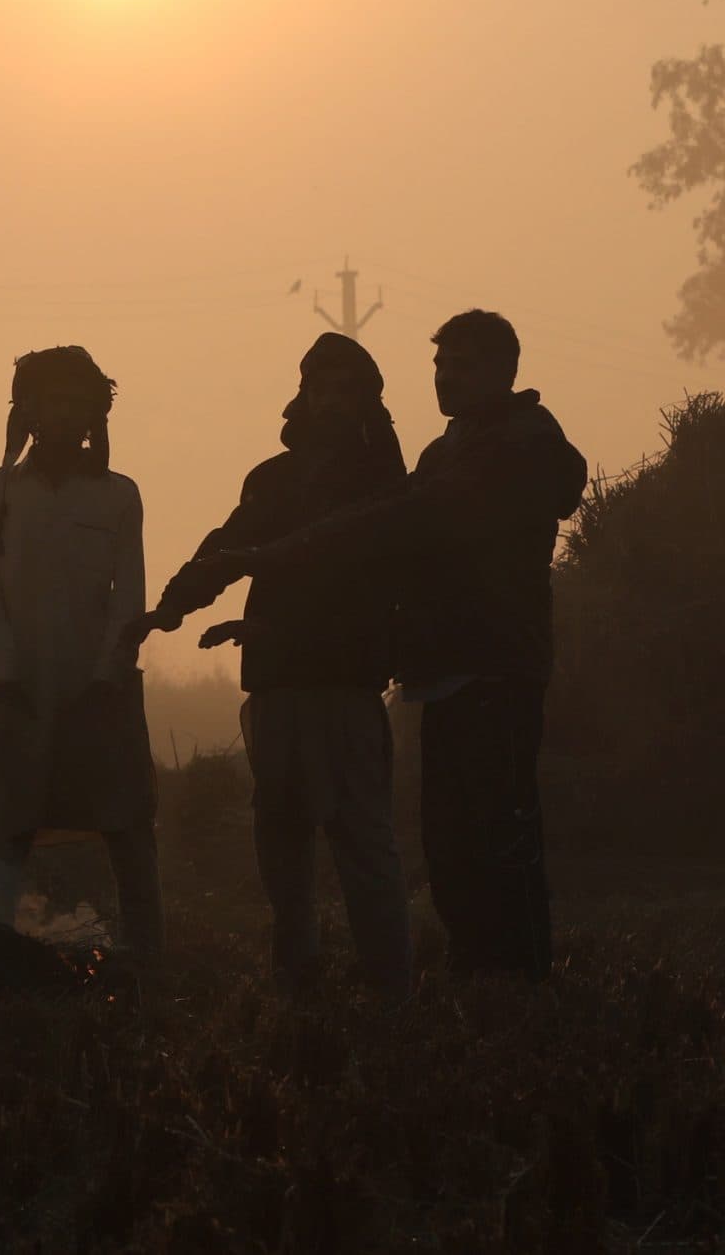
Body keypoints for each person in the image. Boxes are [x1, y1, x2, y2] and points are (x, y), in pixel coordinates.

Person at [162, 310, 585, 981]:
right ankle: (477, 983)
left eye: (465, 366)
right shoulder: (438, 452)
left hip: (495, 668)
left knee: (491, 838)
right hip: (438, 670)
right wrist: (191, 603)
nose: (448, 378)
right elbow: (393, 549)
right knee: (447, 845)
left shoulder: (520, 444)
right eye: (441, 365)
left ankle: (519, 986)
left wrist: (282, 554)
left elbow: (396, 526)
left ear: (506, 373)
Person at [131, 332, 413, 995]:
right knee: (284, 859)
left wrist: (251, 590)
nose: (336, 401)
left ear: (371, 401)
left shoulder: (386, 486)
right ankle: (298, 987)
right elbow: (229, 543)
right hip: (278, 684)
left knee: (365, 851)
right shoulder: (275, 479)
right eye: (324, 388)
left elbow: (340, 561)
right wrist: (170, 607)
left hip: (346, 684)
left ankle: (391, 994)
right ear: (305, 397)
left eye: (351, 389)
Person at [0, 345, 161, 957]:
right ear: (23, 410)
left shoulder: (118, 495)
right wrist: (5, 671)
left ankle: (146, 965)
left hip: (100, 690)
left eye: (74, 399)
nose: (60, 412)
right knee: (4, 827)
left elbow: (129, 596)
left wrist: (106, 679)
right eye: (46, 399)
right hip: (19, 688)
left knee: (127, 829)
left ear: (94, 413)